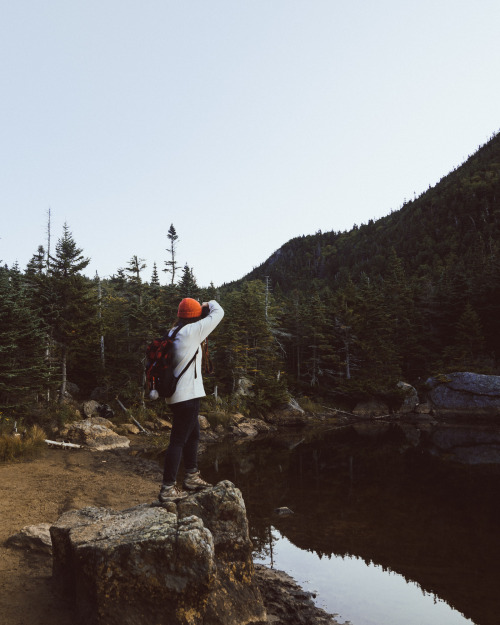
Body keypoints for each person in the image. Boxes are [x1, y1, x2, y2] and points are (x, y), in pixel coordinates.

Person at [159, 297, 224, 503]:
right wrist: (208, 303)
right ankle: (168, 488)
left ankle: (191, 476)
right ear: (195, 316)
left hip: (176, 396)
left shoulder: (173, 332)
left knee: (193, 434)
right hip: (188, 396)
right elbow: (219, 312)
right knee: (178, 440)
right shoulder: (192, 331)